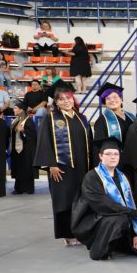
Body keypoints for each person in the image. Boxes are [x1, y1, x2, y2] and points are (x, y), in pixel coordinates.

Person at [33, 80, 92, 245]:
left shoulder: (82, 118)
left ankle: (81, 232)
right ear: (56, 102)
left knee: (81, 199)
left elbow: (89, 141)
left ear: (73, 99)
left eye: (68, 98)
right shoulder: (50, 118)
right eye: (61, 99)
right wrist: (51, 164)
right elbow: (44, 142)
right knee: (64, 201)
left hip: (82, 167)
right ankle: (67, 235)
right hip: (61, 168)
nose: (66, 101)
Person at [71, 137, 137, 260]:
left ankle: (117, 243)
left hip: (118, 216)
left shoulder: (122, 176)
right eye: (108, 154)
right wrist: (135, 213)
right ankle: (99, 250)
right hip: (96, 219)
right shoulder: (92, 177)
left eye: (116, 154)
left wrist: (135, 234)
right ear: (100, 156)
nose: (113, 157)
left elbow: (129, 203)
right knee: (120, 220)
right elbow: (103, 205)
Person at [9, 100, 38, 195]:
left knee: (27, 168)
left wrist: (23, 131)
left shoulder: (28, 121)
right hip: (16, 150)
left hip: (26, 149)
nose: (13, 110)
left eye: (15, 108)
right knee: (18, 168)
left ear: (21, 110)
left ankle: (29, 188)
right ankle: (19, 188)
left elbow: (33, 135)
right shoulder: (15, 120)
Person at [0, 105, 7, 197]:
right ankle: (1, 192)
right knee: (0, 171)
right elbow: (7, 138)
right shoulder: (3, 123)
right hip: (0, 151)